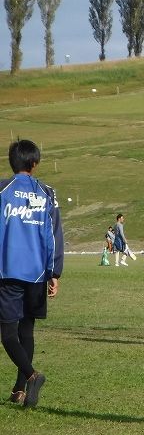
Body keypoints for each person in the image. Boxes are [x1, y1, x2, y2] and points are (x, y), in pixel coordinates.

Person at [0, 139, 63, 407]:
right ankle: (19, 390)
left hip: (9, 272)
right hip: (37, 273)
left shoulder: (3, 190)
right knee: (27, 331)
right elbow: (53, 236)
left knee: (8, 334)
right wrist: (53, 272)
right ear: (35, 164)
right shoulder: (47, 193)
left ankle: (31, 375)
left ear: (11, 162)